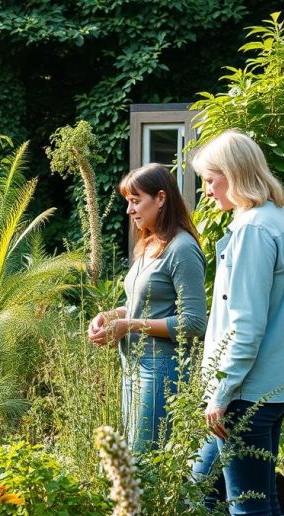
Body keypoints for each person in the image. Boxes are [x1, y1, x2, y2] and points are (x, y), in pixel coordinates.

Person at [189, 130, 284, 516]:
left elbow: (244, 325)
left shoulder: (252, 230)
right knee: (204, 486)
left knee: (250, 509)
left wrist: (220, 393)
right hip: (275, 386)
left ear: (235, 176)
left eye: (211, 179)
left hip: (244, 394)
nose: (206, 189)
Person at [88, 163, 207, 452]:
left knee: (144, 457)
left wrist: (128, 326)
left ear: (161, 198)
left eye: (135, 200)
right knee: (131, 453)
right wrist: (110, 315)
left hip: (161, 371)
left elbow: (193, 322)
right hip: (133, 364)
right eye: (128, 202)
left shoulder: (182, 249)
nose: (129, 210)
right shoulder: (149, 244)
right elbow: (139, 306)